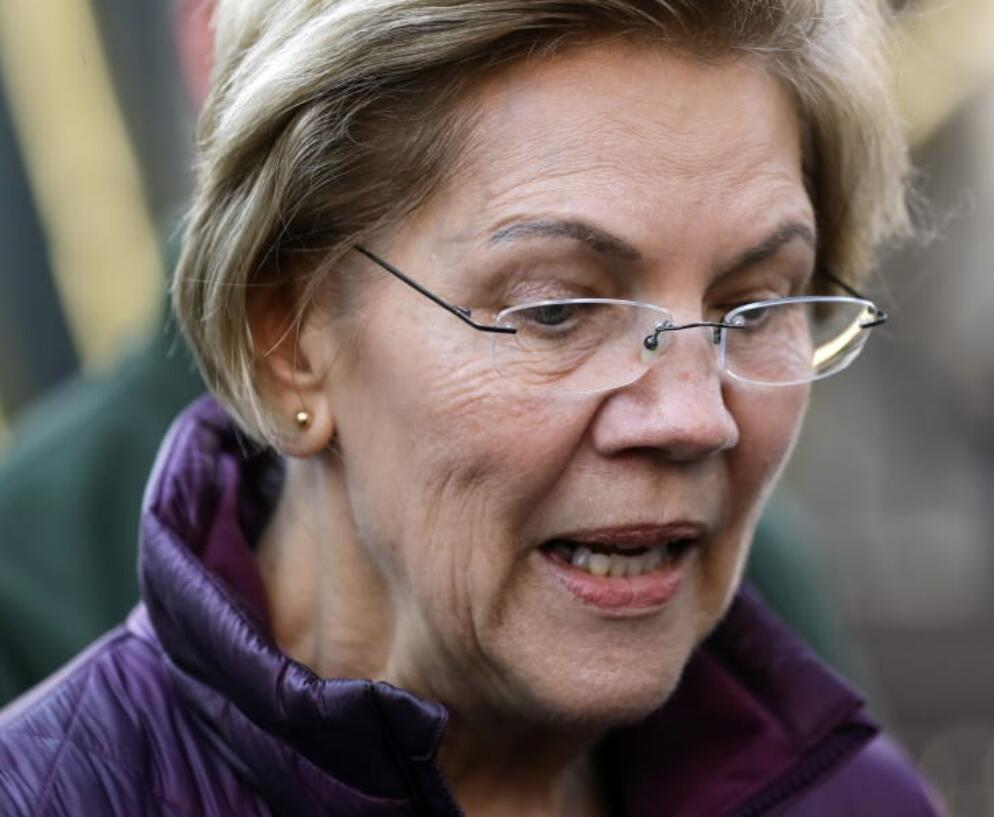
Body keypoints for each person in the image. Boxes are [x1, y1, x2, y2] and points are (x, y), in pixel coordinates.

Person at [0, 1, 939, 814]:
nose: (695, 416)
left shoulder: (856, 799)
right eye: (560, 308)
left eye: (753, 307)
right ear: (287, 343)